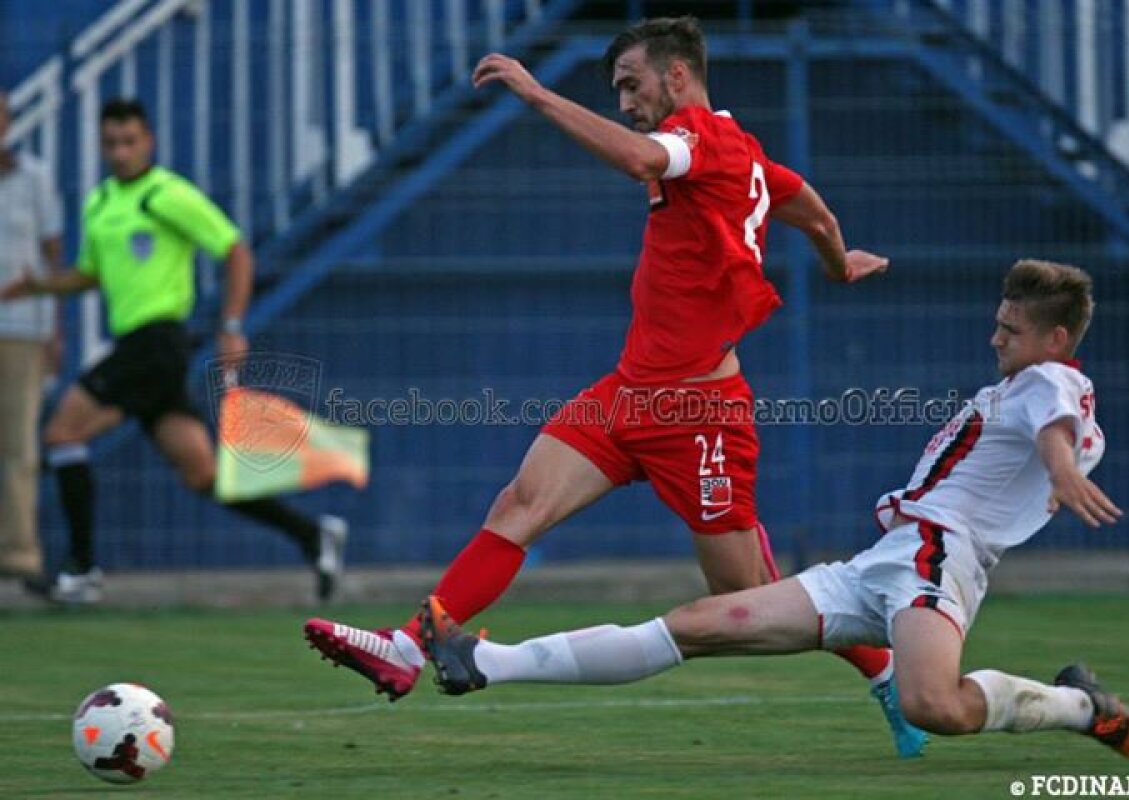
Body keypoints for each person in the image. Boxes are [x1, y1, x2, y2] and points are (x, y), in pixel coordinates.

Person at [304, 16, 924, 757]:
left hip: (700, 414)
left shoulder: (701, 142)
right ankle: (408, 650)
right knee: (520, 504)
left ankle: (886, 664)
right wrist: (834, 261)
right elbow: (810, 206)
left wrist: (535, 94)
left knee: (749, 595)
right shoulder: (741, 156)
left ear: (678, 76)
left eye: (632, 84)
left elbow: (640, 159)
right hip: (629, 394)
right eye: (617, 90)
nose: (626, 101)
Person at [419, 259, 1129, 760]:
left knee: (936, 705)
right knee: (698, 624)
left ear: (1054, 340)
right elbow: (1050, 437)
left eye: (1010, 331)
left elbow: (1057, 427)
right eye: (997, 324)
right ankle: (486, 661)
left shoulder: (1050, 378)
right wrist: (1054, 470)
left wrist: (1059, 468)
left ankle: (1080, 706)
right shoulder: (1032, 385)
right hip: (884, 564)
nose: (995, 338)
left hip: (936, 557)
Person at [0, 98, 347, 604]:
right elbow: (91, 275)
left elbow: (234, 248)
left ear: (149, 142)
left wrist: (232, 324)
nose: (120, 153)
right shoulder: (100, 203)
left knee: (60, 434)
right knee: (202, 473)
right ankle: (313, 536)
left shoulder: (166, 194)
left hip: (157, 341)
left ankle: (82, 570)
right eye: (110, 144)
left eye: (129, 142)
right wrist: (37, 287)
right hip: (138, 349)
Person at [0, 89, 64, 584]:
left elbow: (53, 257)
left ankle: (20, 556)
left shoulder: (35, 179)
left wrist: (54, 329)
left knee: (20, 446)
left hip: (21, 330)